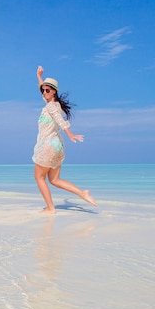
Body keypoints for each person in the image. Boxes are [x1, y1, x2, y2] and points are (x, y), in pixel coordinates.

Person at [32, 66, 97, 214]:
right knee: (55, 180)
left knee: (39, 177)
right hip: (58, 146)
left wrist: (71, 134)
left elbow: (61, 121)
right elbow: (43, 93)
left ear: (54, 91)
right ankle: (83, 193)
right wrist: (39, 77)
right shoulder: (53, 104)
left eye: (47, 90)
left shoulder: (52, 108)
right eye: (43, 90)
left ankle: (50, 208)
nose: (44, 92)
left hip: (48, 145)